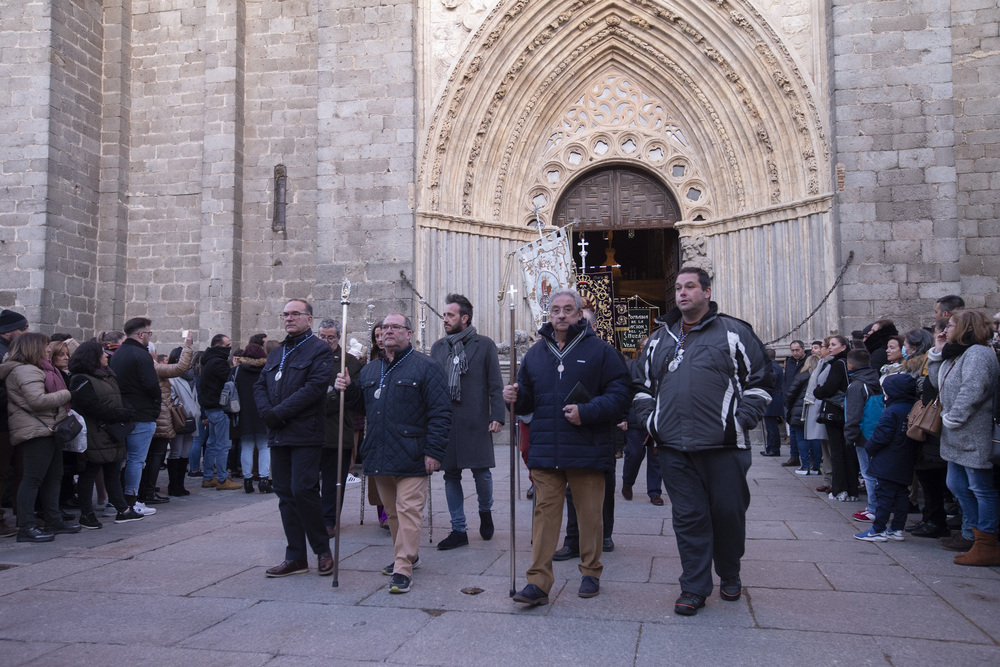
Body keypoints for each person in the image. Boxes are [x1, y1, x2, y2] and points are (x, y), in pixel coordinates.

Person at [631, 267, 773, 616]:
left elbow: (762, 380)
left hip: (724, 446)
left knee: (728, 515)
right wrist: (652, 421)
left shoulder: (734, 332)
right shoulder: (660, 338)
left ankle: (730, 571)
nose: (682, 293)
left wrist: (741, 420)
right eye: (678, 287)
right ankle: (694, 587)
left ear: (707, 292)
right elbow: (640, 387)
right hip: (674, 448)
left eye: (690, 287)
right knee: (688, 517)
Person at [502, 289, 629, 605]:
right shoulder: (534, 354)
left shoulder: (601, 351)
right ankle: (539, 582)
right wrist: (514, 399)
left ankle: (590, 571)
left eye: (568, 310)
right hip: (546, 449)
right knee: (544, 515)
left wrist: (586, 412)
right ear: (549, 314)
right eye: (555, 309)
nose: (561, 315)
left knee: (589, 515)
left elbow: (621, 395)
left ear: (578, 313)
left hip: (586, 447)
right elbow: (529, 401)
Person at [336, 313, 451, 594]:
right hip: (379, 452)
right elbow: (359, 406)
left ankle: (403, 567)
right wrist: (346, 388)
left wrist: (434, 451)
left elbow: (440, 412)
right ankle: (409, 552)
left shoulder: (427, 367)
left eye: (395, 327)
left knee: (409, 510)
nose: (388, 331)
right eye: (384, 328)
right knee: (393, 513)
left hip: (413, 452)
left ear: (408, 333)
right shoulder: (371, 370)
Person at [255, 299, 335, 577]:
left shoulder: (319, 350)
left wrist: (278, 412)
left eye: (295, 314)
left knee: (303, 490)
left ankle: (322, 549)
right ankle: (296, 556)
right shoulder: (278, 352)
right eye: (286, 314)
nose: (289, 318)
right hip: (279, 434)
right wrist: (267, 412)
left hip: (305, 433)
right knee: (285, 494)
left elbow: (314, 388)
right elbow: (260, 384)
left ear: (309, 319)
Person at [430, 294, 505, 550]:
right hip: (446, 422)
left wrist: (497, 415)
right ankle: (458, 529)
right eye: (444, 315)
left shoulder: (484, 345)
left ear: (464, 318)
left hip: (476, 419)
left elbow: (496, 384)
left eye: (450, 315)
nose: (445, 319)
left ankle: (485, 511)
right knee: (450, 476)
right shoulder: (438, 347)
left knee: (481, 473)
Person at [927, 309, 1000, 565]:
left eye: (951, 325)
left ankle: (987, 541)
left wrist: (955, 416)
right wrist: (937, 351)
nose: (945, 330)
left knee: (981, 487)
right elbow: (938, 383)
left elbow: (974, 388)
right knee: (957, 485)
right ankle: (973, 533)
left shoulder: (978, 353)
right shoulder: (955, 354)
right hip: (955, 433)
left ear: (966, 327)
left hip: (972, 431)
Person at [0, 332, 81, 542]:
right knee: (32, 479)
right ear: (33, 348)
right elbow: (37, 401)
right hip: (36, 430)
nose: (48, 349)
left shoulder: (37, 369)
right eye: (45, 346)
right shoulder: (25, 370)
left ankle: (53, 520)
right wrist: (68, 393)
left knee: (54, 477)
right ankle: (26, 527)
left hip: (49, 428)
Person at [67, 341, 143, 527]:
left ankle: (122, 509)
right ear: (92, 357)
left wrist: (127, 409)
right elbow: (91, 406)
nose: (107, 355)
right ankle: (86, 514)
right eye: (102, 353)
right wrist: (120, 414)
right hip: (95, 432)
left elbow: (117, 398)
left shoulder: (107, 376)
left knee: (113, 471)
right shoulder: (81, 379)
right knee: (90, 472)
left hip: (111, 432)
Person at [854, 374, 920, 542]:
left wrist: (869, 448)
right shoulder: (912, 408)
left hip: (888, 459)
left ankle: (878, 529)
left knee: (884, 494)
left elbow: (882, 436)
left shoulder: (892, 411)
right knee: (901, 494)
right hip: (906, 457)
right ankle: (897, 528)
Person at [108, 317, 161, 517]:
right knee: (137, 460)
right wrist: (156, 402)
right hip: (141, 413)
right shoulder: (141, 354)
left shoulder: (118, 353)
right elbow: (151, 384)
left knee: (123, 459)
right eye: (149, 333)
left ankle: (117, 501)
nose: (149, 337)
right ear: (141, 334)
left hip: (123, 411)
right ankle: (131, 500)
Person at [903, 326, 950, 539]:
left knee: (931, 477)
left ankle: (935, 521)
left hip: (929, 424)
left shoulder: (928, 363)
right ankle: (929, 518)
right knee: (925, 474)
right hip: (920, 423)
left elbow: (929, 389)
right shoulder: (920, 363)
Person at [318, 318, 362, 535]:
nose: (326, 341)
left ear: (338, 338)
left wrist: (324, 398)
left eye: (331, 337)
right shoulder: (310, 358)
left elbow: (348, 396)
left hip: (336, 430)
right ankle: (309, 517)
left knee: (333, 482)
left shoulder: (349, 363)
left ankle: (329, 520)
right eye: (322, 337)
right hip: (309, 430)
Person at [143, 335, 194, 504]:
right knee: (160, 455)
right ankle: (161, 488)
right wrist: (188, 346)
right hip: (168, 418)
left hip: (178, 417)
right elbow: (179, 369)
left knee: (162, 455)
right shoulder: (156, 369)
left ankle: (175, 485)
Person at [814, 334, 857, 502]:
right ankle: (851, 489)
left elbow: (828, 388)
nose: (829, 347)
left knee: (837, 451)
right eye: (829, 345)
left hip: (836, 411)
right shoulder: (847, 363)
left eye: (833, 344)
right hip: (847, 410)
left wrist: (819, 391)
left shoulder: (838, 364)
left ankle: (840, 489)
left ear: (844, 347)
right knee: (847, 450)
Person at [621, 337, 664, 505]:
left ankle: (655, 492)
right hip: (635, 418)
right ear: (639, 350)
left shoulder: (663, 366)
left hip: (657, 417)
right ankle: (627, 482)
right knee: (634, 453)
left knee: (656, 456)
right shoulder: (631, 367)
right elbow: (624, 393)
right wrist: (623, 417)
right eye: (646, 347)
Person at [843, 349, 882, 521]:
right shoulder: (875, 380)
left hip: (863, 435)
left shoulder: (856, 385)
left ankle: (873, 508)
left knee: (868, 473)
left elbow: (853, 414)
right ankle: (877, 506)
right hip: (877, 431)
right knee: (876, 473)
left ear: (850, 365)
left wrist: (849, 437)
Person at [0, 309, 29, 537]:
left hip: (14, 420)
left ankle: (24, 515)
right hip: (3, 420)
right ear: (9, 332)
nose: (26, 333)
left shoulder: (11, 350)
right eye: (22, 329)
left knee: (21, 469)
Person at [199, 333, 241, 490]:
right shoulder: (218, 363)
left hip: (211, 407)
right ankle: (222, 478)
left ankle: (208, 477)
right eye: (227, 345)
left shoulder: (209, 361)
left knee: (212, 444)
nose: (229, 348)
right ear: (218, 346)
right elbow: (231, 380)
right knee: (223, 445)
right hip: (219, 407)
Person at [231, 343, 271, 493]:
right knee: (264, 447)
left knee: (246, 447)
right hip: (262, 411)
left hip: (243, 413)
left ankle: (247, 481)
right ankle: (263, 479)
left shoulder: (237, 371)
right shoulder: (266, 371)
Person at [166, 346, 199, 496]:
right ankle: (173, 485)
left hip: (192, 418)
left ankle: (181, 484)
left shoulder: (191, 376)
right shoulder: (172, 377)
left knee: (185, 452)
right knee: (176, 451)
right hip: (179, 417)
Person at [786, 355, 822, 475]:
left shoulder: (802, 375)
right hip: (816, 409)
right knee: (815, 437)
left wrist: (789, 406)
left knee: (801, 438)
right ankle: (816, 466)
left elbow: (791, 393)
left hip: (800, 409)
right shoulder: (821, 376)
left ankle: (805, 465)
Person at [780, 340, 807, 467]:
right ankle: (794, 456)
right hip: (788, 398)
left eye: (797, 350)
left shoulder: (807, 361)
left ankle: (806, 458)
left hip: (800, 399)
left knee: (801, 431)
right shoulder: (789, 362)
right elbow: (786, 380)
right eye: (793, 350)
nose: (795, 353)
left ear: (803, 349)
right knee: (792, 430)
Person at [761, 349, 785, 459]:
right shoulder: (772, 366)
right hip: (772, 398)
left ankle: (774, 449)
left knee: (772, 427)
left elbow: (771, 382)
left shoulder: (773, 367)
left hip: (772, 399)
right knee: (770, 426)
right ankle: (770, 446)